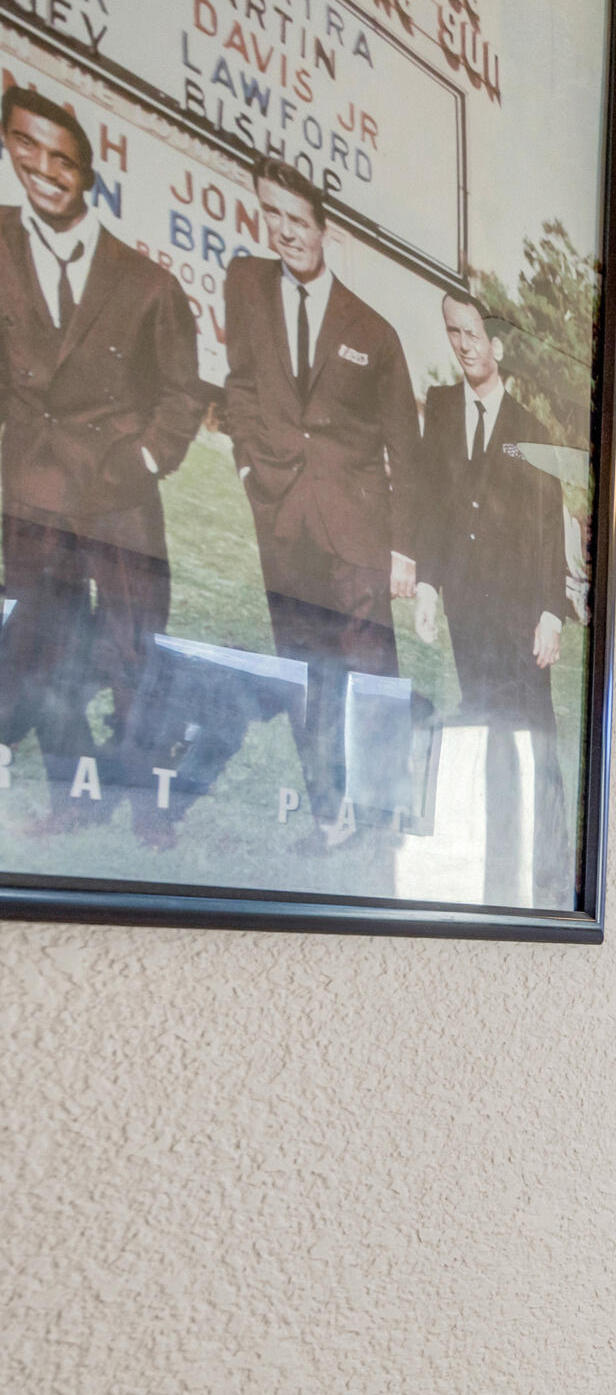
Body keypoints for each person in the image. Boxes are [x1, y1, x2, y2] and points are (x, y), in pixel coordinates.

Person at [0, 84, 207, 837]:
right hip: (30, 490)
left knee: (133, 647)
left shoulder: (148, 283)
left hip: (121, 497)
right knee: (42, 646)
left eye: (62, 158)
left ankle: (151, 800)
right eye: (26, 146)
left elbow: (183, 393)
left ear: (87, 171)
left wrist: (146, 460)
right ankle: (74, 795)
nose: (42, 169)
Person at [219, 157, 419, 852]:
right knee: (304, 671)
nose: (284, 231)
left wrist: (404, 549)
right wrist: (249, 464)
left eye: (297, 219)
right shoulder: (246, 285)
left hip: (358, 533)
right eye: (271, 214)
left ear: (323, 226)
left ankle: (386, 815)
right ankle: (329, 814)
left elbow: (407, 451)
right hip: (284, 520)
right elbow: (241, 384)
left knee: (371, 673)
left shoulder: (373, 331)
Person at [413, 290, 570, 902]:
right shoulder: (440, 408)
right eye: (453, 332)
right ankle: (491, 847)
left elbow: (548, 525)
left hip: (520, 615)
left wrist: (551, 611)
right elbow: (431, 503)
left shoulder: (532, 431)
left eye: (473, 334)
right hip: (465, 610)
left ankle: (551, 866)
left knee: (535, 732)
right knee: (482, 721)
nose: (463, 345)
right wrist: (428, 584)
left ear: (498, 346)